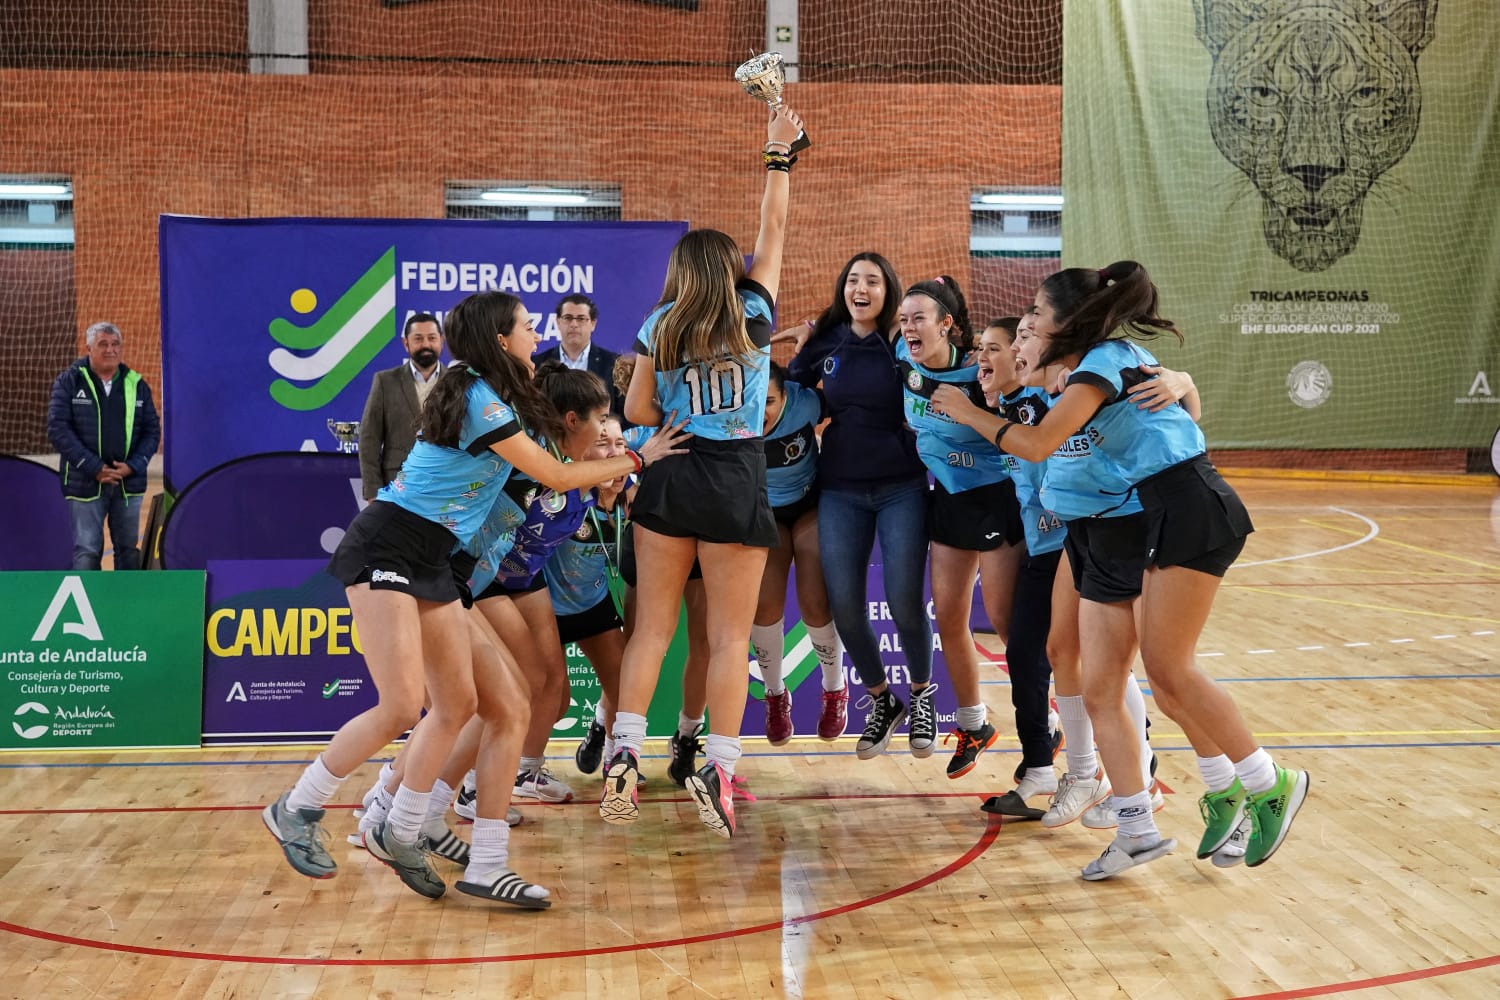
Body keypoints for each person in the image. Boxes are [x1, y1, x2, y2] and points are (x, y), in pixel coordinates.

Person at [262, 289, 685, 905]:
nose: (535, 330)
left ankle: (427, 836)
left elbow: (565, 443)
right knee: (407, 703)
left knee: (483, 703)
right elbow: (559, 474)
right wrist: (636, 458)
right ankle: (299, 807)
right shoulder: (480, 398)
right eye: (524, 324)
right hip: (390, 546)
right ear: (498, 339)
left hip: (437, 561)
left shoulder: (499, 391)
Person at [935, 261, 1309, 879]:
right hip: (1139, 516)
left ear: (1066, 320)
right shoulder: (1080, 370)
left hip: (1184, 506)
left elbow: (1035, 444)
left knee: (1168, 670)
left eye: (1034, 314)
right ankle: (1142, 823)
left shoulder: (1101, 361)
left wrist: (966, 411)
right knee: (1104, 681)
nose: (1026, 323)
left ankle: (1268, 779)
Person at [600, 103, 805, 839]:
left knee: (650, 632)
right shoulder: (753, 312)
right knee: (726, 640)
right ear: (730, 270)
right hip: (735, 478)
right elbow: (774, 231)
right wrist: (778, 154)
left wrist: (663, 423)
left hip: (669, 474)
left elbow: (638, 408)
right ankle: (718, 766)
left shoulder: (661, 323)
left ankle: (624, 752)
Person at [777, 252, 935, 762]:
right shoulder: (826, 340)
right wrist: (797, 347)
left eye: (871, 280)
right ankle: (880, 699)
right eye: (852, 280)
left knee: (904, 599)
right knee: (843, 606)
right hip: (839, 488)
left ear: (888, 289)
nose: (860, 288)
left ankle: (923, 696)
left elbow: (949, 365)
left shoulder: (901, 342)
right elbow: (788, 393)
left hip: (902, 486)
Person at [893, 277, 1024, 780]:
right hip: (947, 497)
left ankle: (1049, 719)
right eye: (903, 319)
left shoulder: (980, 371)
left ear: (948, 324)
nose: (907, 327)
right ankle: (974, 724)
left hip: (996, 499)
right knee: (948, 616)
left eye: (918, 318)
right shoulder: (905, 362)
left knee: (1009, 625)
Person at [750, 361, 847, 745]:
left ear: (787, 396)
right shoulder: (735, 416)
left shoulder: (806, 404)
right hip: (765, 514)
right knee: (765, 606)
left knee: (814, 600)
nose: (762, 411)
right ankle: (775, 695)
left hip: (810, 506)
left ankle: (834, 689)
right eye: (755, 401)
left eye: (770, 401)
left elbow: (847, 401)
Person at [47, 321, 160, 570]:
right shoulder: (69, 381)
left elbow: (152, 431)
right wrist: (93, 466)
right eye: (103, 344)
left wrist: (134, 465)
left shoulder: (137, 384)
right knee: (86, 552)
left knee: (129, 551)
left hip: (128, 483)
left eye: (115, 344)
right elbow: (58, 429)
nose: (111, 349)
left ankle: (127, 606)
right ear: (88, 348)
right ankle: (87, 608)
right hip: (84, 482)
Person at [359, 313, 446, 501]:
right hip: (396, 485)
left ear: (442, 341)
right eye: (418, 339)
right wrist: (373, 494)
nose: (426, 345)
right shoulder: (385, 381)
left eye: (432, 338)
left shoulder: (457, 383)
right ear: (406, 343)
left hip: (445, 487)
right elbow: (369, 440)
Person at [533, 294, 625, 422]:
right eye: (568, 318)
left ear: (593, 324)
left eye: (581, 319)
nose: (574, 324)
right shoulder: (536, 364)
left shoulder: (614, 365)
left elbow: (625, 418)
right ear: (558, 322)